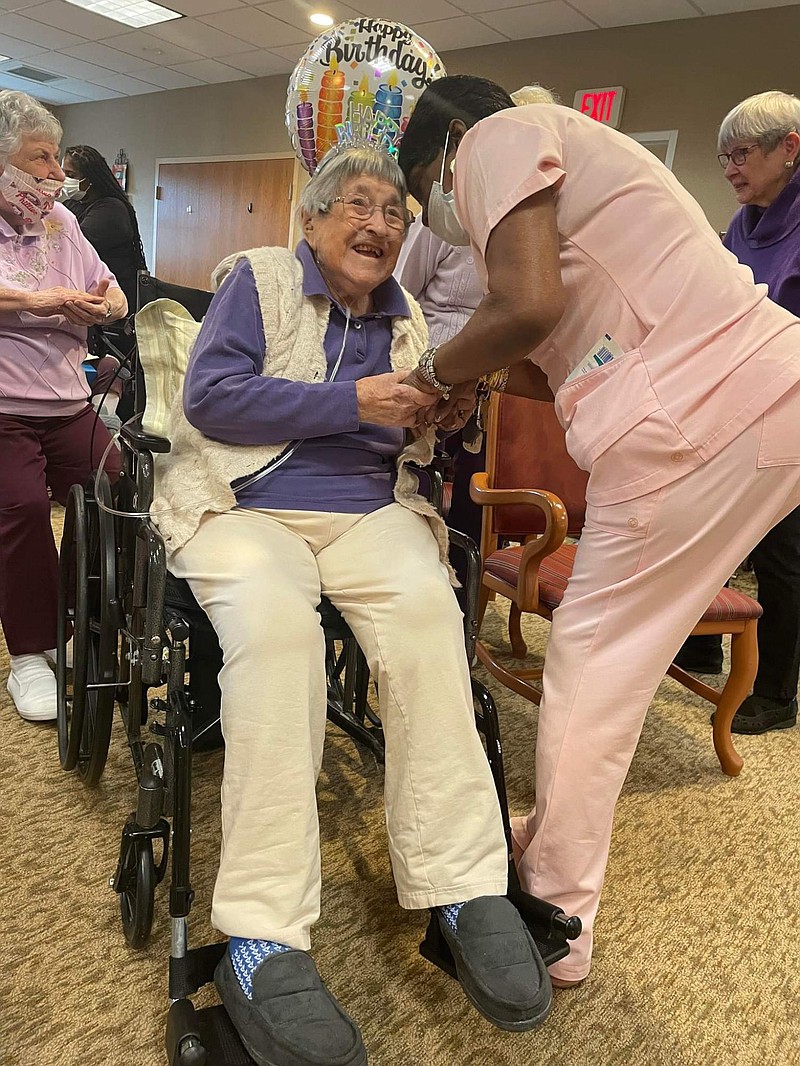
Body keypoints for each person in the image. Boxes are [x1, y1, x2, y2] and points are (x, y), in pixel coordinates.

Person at [397, 75, 800, 988]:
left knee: (593, 660)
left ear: (451, 138)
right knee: (622, 652)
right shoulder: (586, 169)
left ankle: (558, 916)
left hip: (697, 424)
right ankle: (552, 834)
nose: (436, 210)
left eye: (423, 181)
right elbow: (552, 354)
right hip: (765, 401)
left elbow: (526, 308)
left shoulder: (499, 137)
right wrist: (480, 379)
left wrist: (428, 371)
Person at [152, 146, 552, 1066]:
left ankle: (462, 882)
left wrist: (436, 417)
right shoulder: (255, 279)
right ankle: (262, 934)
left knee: (427, 621)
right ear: (313, 220)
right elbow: (210, 402)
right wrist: (349, 402)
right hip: (242, 505)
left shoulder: (406, 315)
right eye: (358, 207)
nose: (378, 225)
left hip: (369, 511)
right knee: (279, 634)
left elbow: (411, 429)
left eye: (396, 214)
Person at [0, 90, 126, 722]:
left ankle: (72, 624)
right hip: (4, 409)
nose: (55, 174)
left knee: (117, 483)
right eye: (40, 158)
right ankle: (30, 651)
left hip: (68, 400)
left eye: (56, 159)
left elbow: (116, 296)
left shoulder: (64, 224)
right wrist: (38, 301)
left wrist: (101, 305)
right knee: (20, 508)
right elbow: (29, 299)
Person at [679, 90, 800, 733]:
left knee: (782, 551)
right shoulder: (742, 222)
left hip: (792, 405)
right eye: (723, 156)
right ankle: (702, 640)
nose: (730, 167)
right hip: (738, 395)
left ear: (790, 148)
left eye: (742, 154)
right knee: (715, 524)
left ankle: (778, 691)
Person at [395, 213, 485, 564]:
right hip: (426, 371)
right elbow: (400, 297)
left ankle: (461, 585)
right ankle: (408, 568)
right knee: (412, 481)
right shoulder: (444, 220)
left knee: (476, 492)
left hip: (489, 378)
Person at [62, 144, 148, 423]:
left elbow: (66, 246)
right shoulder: (78, 204)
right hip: (91, 305)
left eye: (70, 174)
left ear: (90, 178)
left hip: (116, 307)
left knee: (111, 365)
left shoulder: (111, 210)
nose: (64, 180)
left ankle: (106, 418)